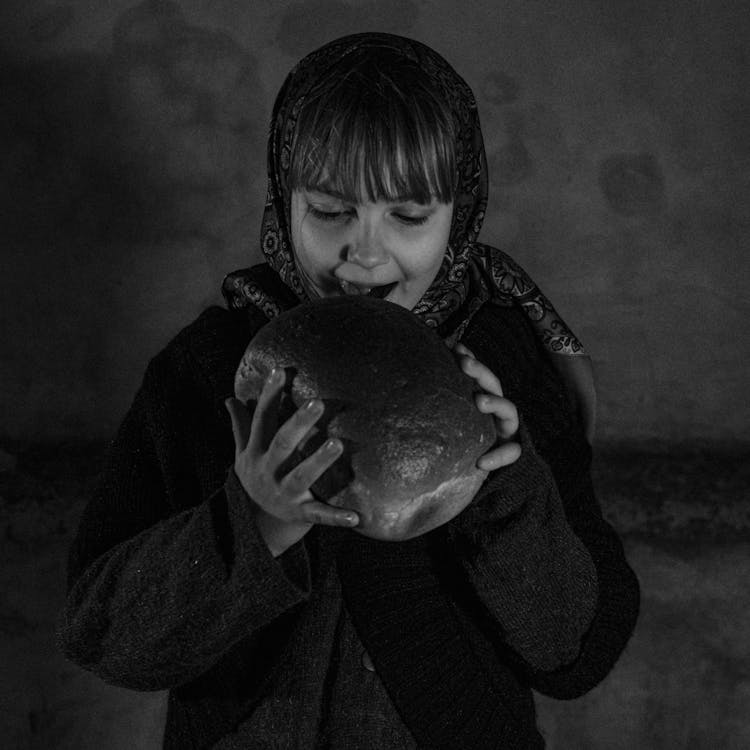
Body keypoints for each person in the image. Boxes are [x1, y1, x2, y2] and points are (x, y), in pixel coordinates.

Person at [57, 32, 639, 749]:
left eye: (409, 215)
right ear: (283, 199)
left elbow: (578, 654)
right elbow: (101, 632)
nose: (366, 253)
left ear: (461, 211)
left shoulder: (504, 373)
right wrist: (255, 522)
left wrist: (505, 487)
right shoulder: (209, 369)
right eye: (330, 211)